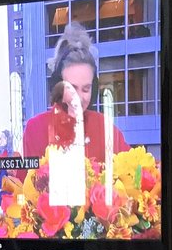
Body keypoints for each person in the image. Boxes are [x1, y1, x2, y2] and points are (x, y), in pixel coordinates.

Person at [22, 23, 130, 167]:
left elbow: (135, 172)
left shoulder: (104, 127)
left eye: (86, 89)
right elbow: (21, 187)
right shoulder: (35, 129)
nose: (78, 98)